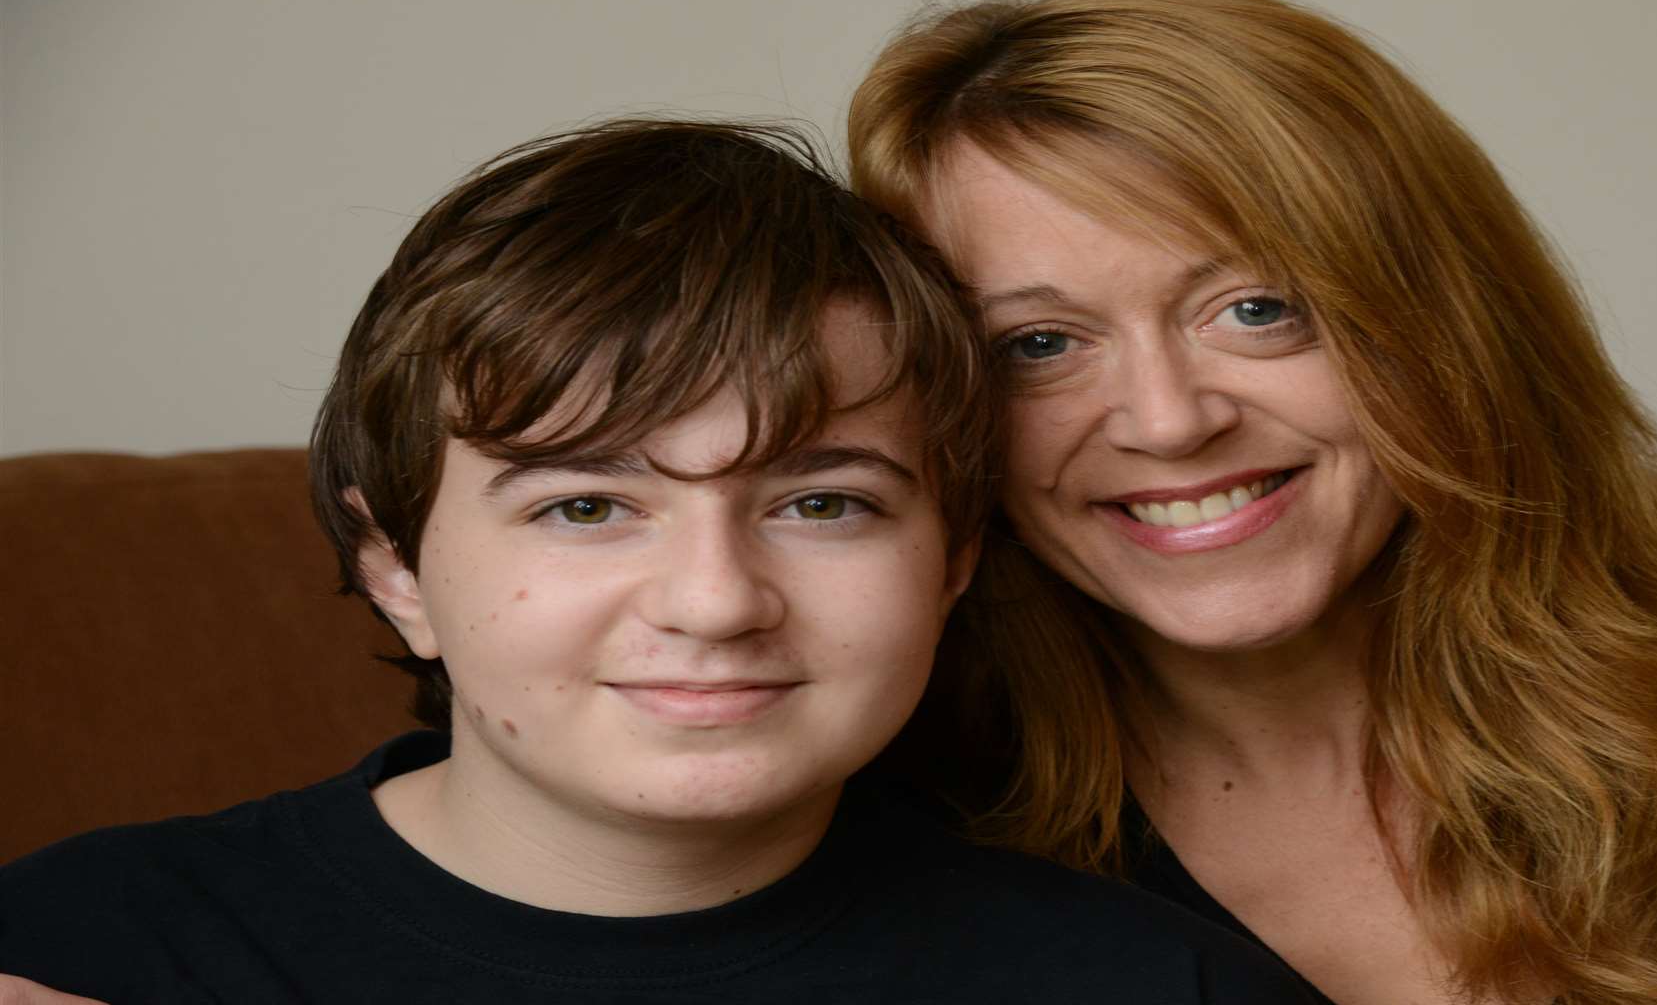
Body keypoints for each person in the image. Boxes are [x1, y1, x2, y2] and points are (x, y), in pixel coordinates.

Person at [0, 118, 1315, 1003]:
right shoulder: (85, 948)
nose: (715, 600)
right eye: (585, 507)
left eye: (823, 505)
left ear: (956, 558)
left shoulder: (1146, 984)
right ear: (395, 566)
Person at [847, 0, 1657, 1005]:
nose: (1170, 421)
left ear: (1449, 329)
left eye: (1257, 309)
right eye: (1039, 343)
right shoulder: (880, 839)